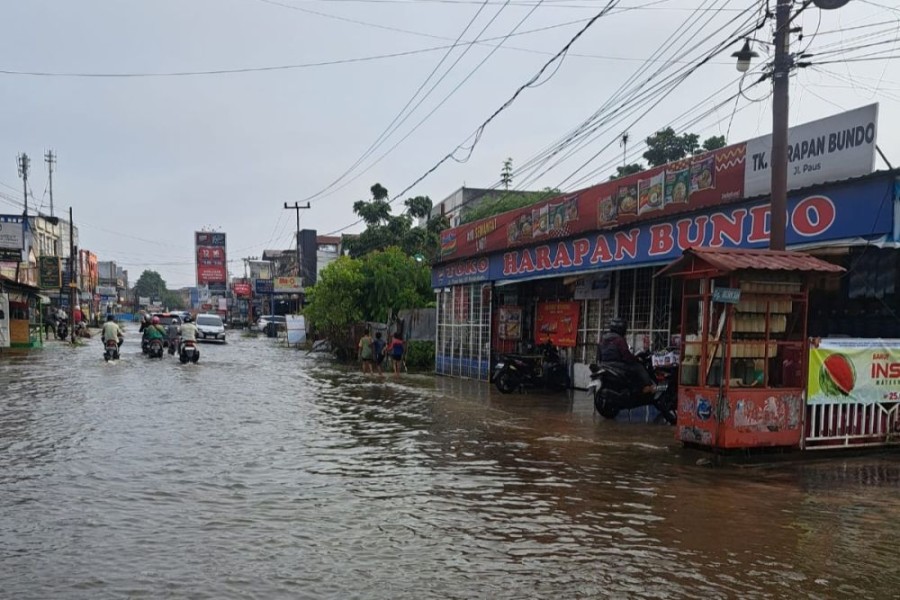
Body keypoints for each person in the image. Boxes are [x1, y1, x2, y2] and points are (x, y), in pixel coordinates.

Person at [598, 318, 654, 394]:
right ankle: (647, 386)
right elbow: (626, 356)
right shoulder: (619, 339)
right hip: (617, 365)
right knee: (638, 367)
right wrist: (635, 359)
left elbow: (599, 354)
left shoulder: (603, 338)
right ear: (621, 329)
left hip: (604, 364)